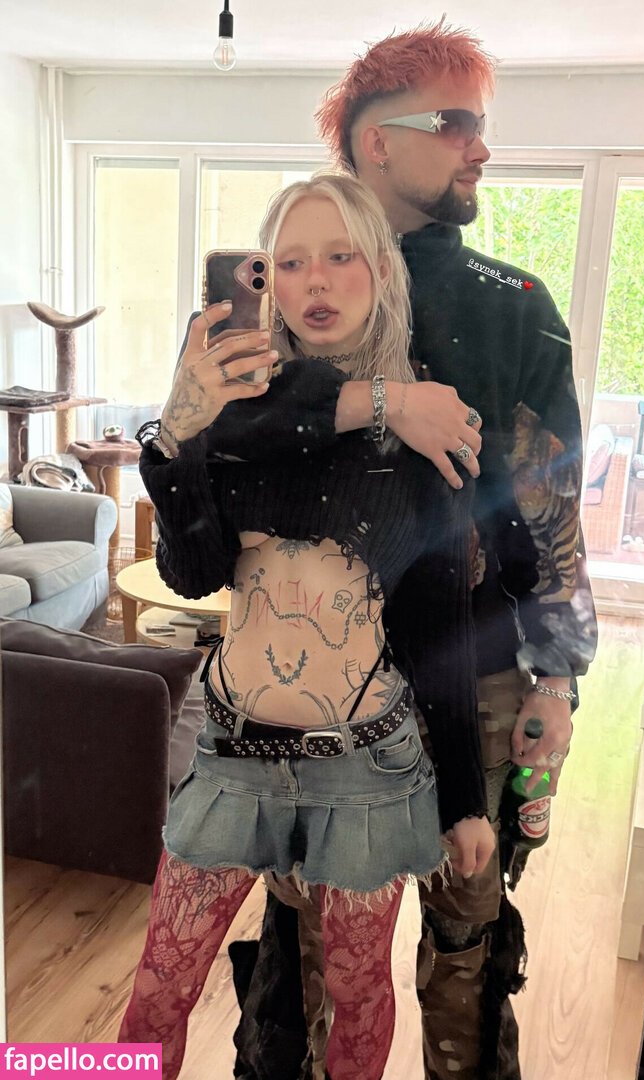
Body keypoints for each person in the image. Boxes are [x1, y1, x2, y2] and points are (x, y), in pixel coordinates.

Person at [230, 19, 598, 1080]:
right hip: (304, 682)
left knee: (467, 949)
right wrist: (374, 400)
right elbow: (217, 448)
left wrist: (557, 679)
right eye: (456, 122)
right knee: (300, 953)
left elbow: (549, 508)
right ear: (375, 141)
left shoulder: (511, 307)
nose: (480, 146)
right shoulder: (270, 292)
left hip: (475, 675)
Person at [118, 172, 495, 1080]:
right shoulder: (233, 411)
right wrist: (177, 438)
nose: (314, 281)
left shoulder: (427, 427)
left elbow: (439, 632)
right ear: (265, 280)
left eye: (340, 256)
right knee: (156, 992)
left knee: (358, 994)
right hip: (230, 754)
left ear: (383, 271)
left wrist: (463, 798)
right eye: (288, 262)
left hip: (368, 767)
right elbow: (191, 573)